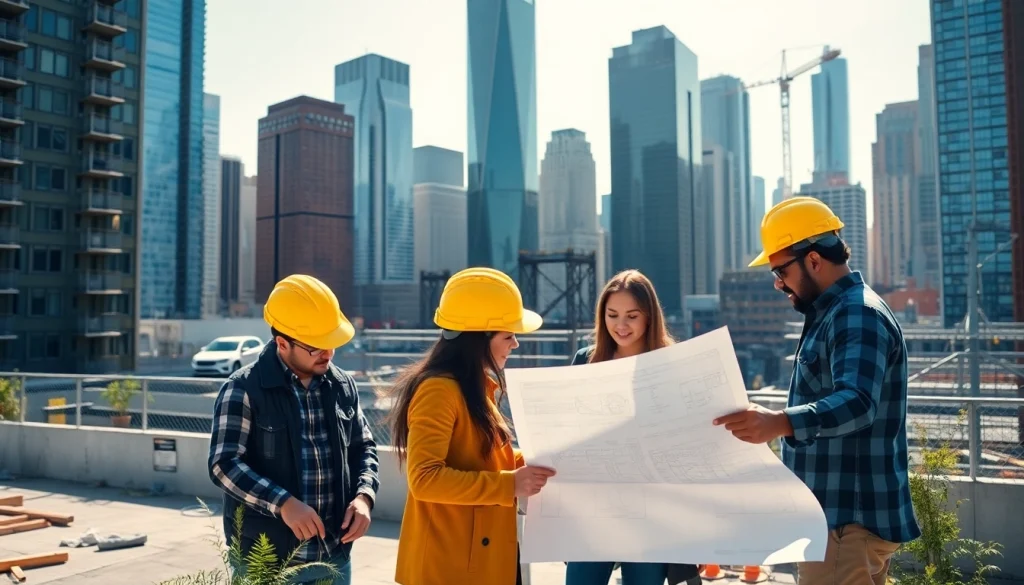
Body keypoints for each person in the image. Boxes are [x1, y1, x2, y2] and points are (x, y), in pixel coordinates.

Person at [713, 197, 920, 585]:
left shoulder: (855, 313)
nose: (777, 282)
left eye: (780, 270)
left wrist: (779, 422)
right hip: (843, 520)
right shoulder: (836, 312)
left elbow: (858, 402)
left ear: (812, 260)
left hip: (845, 522)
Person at [208, 274, 380, 585]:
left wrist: (364, 496)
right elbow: (224, 465)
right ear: (282, 343)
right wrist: (284, 503)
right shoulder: (243, 389)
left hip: (334, 558)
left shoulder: (341, 385)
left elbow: (363, 446)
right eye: (316, 348)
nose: (327, 354)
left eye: (332, 344)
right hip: (266, 562)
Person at [390, 267, 557, 585]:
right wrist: (510, 485)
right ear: (479, 339)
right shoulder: (438, 390)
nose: (516, 344)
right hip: (449, 566)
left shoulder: (476, 386)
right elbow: (424, 479)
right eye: (508, 335)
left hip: (483, 557)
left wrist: (535, 460)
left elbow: (483, 458)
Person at [564, 269, 701, 585]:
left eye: (631, 316)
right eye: (612, 315)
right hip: (593, 509)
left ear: (649, 317)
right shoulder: (585, 361)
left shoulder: (672, 366)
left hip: (650, 512)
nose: (620, 325)